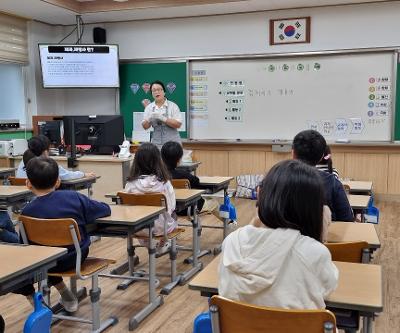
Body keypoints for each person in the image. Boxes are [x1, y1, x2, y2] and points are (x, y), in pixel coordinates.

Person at [218, 160, 338, 309]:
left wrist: (256, 220)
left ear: (263, 195)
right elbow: (328, 288)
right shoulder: (315, 253)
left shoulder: (232, 241)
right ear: (313, 208)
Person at [20, 157, 111, 312]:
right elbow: (105, 209)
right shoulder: (74, 198)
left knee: (45, 256)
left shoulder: (26, 213)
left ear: (28, 183)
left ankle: (40, 300)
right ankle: (63, 292)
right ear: (57, 182)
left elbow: (25, 246)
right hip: (75, 258)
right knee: (55, 254)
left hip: (44, 263)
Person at [125, 142, 177, 251]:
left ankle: (152, 245)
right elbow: (171, 207)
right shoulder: (164, 183)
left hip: (137, 227)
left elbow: (126, 208)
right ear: (159, 161)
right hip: (161, 228)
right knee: (172, 217)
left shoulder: (130, 184)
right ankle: (162, 244)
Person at [292, 130, 354, 221]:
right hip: (322, 233)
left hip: (281, 234)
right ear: (321, 157)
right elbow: (347, 219)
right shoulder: (333, 183)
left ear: (293, 153)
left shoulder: (275, 177)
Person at [16, 135, 94, 180]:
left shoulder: (23, 161)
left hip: (25, 202)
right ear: (45, 151)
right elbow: (66, 175)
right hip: (42, 200)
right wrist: (83, 174)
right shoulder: (47, 164)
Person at [161, 141, 205, 214]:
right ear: (179, 160)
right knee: (213, 203)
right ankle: (228, 223)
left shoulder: (157, 176)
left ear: (162, 158)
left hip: (165, 209)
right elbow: (197, 182)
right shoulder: (185, 175)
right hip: (187, 209)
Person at [141, 80, 182, 148]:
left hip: (173, 144)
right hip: (156, 144)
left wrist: (162, 118)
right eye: (154, 90)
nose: (157, 92)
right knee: (157, 158)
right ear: (152, 93)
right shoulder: (149, 108)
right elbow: (145, 127)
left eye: (159, 89)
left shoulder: (173, 106)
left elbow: (178, 124)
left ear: (164, 92)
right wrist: (149, 118)